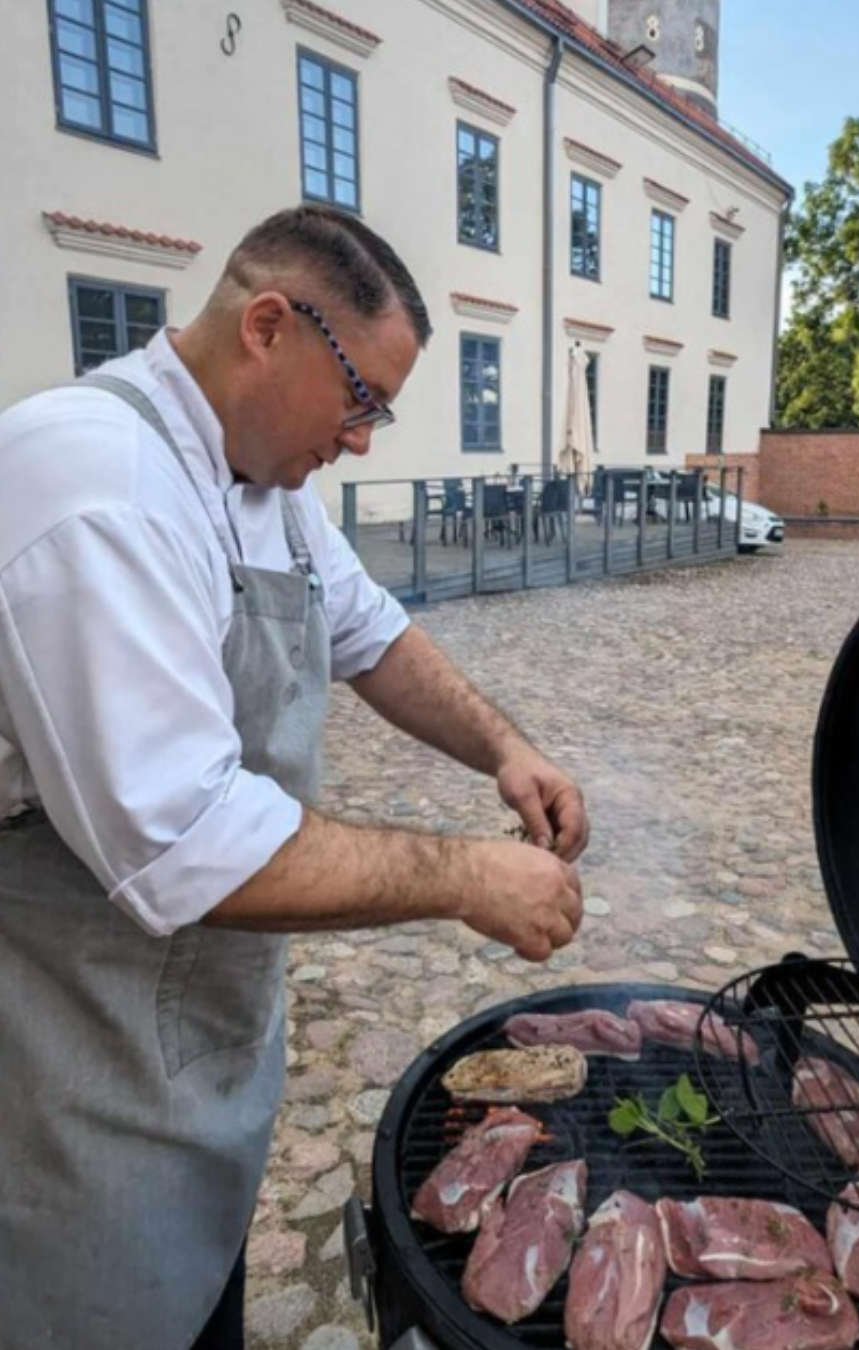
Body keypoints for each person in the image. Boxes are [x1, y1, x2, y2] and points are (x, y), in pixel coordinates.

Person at [0, 204, 588, 1350]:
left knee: (203, 1296)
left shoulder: (267, 482)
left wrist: (505, 746)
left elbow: (371, 633)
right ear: (267, 326)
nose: (364, 440)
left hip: (195, 1039)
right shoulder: (96, 489)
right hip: (72, 1061)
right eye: (360, 399)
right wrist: (467, 877)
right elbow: (191, 840)